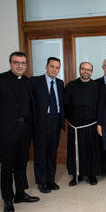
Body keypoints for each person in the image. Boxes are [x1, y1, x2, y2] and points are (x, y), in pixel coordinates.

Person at [0, 51, 39, 212]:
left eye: (23, 63)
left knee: (22, 163)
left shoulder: (29, 82)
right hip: (6, 131)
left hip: (25, 129)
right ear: (10, 63)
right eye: (16, 62)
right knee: (7, 165)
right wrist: (3, 122)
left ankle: (20, 194)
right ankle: (8, 198)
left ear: (26, 65)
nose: (20, 65)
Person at [30, 57, 65, 194]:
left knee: (52, 153)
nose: (54, 69)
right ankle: (41, 182)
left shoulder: (60, 83)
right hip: (41, 122)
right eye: (52, 66)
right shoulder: (35, 82)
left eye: (57, 67)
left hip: (55, 121)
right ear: (46, 66)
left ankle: (51, 180)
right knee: (40, 153)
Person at [65, 62, 102, 186]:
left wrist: (99, 123)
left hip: (91, 126)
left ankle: (91, 175)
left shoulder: (97, 86)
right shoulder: (71, 86)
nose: (86, 71)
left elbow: (100, 107)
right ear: (79, 70)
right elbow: (66, 105)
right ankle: (77, 175)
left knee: (91, 152)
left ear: (92, 72)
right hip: (74, 126)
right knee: (75, 152)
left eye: (89, 70)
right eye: (83, 69)